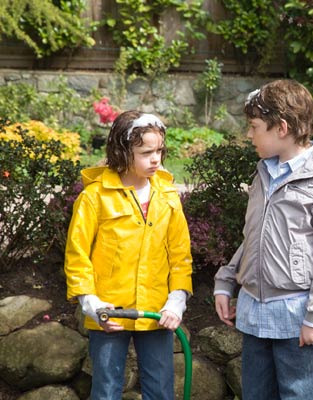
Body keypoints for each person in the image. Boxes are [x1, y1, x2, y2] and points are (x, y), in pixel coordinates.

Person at [213, 79, 313, 399]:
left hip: (298, 321)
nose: (249, 135)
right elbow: (255, 237)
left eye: (254, 126)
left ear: (282, 128)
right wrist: (226, 280)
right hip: (254, 318)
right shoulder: (263, 172)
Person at [64, 110, 193, 400]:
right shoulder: (94, 197)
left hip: (157, 312)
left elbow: (180, 255)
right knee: (107, 389)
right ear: (122, 152)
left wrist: (177, 298)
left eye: (159, 150)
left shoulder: (168, 197)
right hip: (109, 313)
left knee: (160, 389)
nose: (156, 158)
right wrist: (91, 302)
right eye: (146, 152)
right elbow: (77, 254)